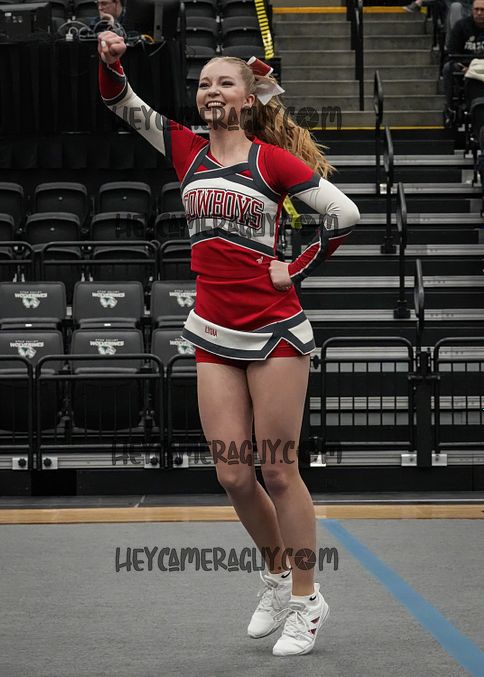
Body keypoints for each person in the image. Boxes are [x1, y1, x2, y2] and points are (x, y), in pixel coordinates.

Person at [97, 30, 360, 657]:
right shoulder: (184, 148)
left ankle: (307, 600)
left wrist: (294, 267)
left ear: (248, 99)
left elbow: (344, 215)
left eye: (225, 83)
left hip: (274, 332)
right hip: (213, 331)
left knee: (278, 469)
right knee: (234, 474)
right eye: (204, 83)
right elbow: (122, 103)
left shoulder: (272, 162)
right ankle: (276, 574)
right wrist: (109, 62)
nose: (211, 91)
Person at [442, 0, 484, 122]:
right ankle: (451, 109)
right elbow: (452, 53)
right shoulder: (461, 26)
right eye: (476, 9)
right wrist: (464, 68)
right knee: (448, 68)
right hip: (464, 67)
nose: (479, 13)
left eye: (482, 10)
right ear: (472, 10)